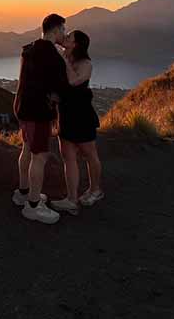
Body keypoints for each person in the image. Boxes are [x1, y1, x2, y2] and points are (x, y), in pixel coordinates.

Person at [12, 13, 68, 224]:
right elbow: (61, 89)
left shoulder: (28, 49)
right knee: (40, 156)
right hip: (39, 113)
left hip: (23, 108)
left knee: (26, 149)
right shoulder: (54, 57)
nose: (65, 33)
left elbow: (26, 81)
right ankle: (33, 206)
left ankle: (24, 192)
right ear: (55, 30)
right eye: (64, 29)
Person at [50, 30, 103, 215]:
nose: (65, 38)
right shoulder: (65, 59)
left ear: (76, 44)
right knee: (68, 157)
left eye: (69, 37)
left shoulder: (85, 64)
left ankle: (95, 190)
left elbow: (73, 81)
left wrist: (63, 59)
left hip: (81, 115)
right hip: (65, 114)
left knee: (89, 154)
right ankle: (71, 198)